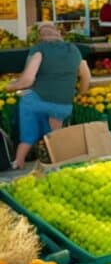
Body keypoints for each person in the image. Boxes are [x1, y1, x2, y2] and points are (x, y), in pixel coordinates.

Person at [4, 23, 90, 169]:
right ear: (58, 33)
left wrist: (10, 87)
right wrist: (78, 94)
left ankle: (19, 161)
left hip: (38, 102)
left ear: (40, 37)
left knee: (28, 131)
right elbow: (86, 76)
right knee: (53, 134)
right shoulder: (73, 49)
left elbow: (28, 80)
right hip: (63, 105)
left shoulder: (39, 49)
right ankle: (56, 161)